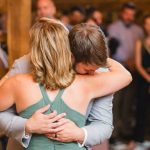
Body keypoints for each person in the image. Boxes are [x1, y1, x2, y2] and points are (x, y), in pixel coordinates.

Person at [0, 18, 132, 150]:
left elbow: (103, 124)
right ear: (71, 56)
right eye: (87, 69)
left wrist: (80, 134)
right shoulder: (24, 65)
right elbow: (4, 112)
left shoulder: (99, 73)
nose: (93, 73)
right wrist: (26, 126)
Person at [107, 2, 144, 144]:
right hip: (118, 70)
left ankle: (126, 131)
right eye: (127, 13)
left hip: (135, 71)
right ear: (122, 13)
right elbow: (110, 51)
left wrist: (135, 62)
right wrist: (125, 60)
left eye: (132, 14)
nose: (129, 16)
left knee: (128, 103)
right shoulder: (113, 28)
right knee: (116, 102)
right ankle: (114, 134)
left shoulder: (138, 30)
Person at [127, 15, 150, 150]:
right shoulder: (140, 42)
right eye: (147, 24)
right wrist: (148, 79)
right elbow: (138, 64)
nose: (149, 27)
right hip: (143, 80)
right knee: (141, 110)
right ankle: (138, 139)